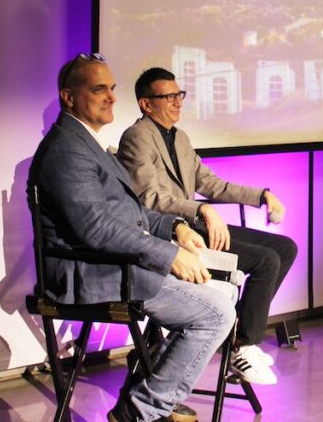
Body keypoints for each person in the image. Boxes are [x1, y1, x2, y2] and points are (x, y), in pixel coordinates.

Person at [29, 54, 234, 422]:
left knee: (225, 289)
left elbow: (130, 213)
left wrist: (175, 228)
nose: (111, 97)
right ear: (68, 97)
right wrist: (170, 256)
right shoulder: (66, 151)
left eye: (111, 88)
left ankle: (147, 393)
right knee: (216, 313)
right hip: (92, 274)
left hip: (114, 265)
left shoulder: (88, 143)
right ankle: (140, 411)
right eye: (99, 89)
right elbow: (96, 228)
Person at [118, 67, 298, 386]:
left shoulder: (180, 138)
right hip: (172, 234)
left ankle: (238, 334)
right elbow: (149, 198)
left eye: (179, 95)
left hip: (196, 228)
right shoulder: (136, 137)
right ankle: (242, 346)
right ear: (146, 104)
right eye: (168, 96)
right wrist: (199, 209)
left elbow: (211, 184)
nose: (177, 102)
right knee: (265, 260)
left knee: (285, 248)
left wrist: (261, 195)